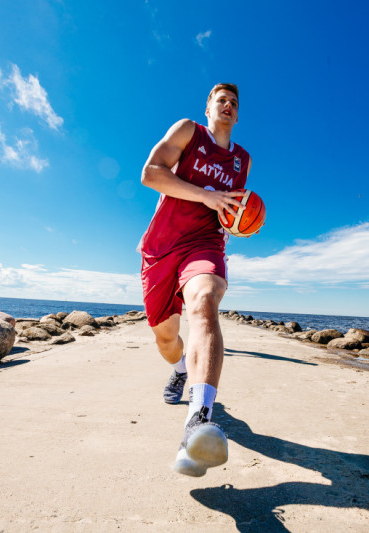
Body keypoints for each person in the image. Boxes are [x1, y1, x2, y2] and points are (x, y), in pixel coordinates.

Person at [139, 83, 252, 477]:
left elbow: (230, 213)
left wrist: (240, 221)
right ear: (208, 108)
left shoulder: (242, 160)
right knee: (165, 337)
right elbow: (150, 174)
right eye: (221, 99)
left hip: (205, 246)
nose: (228, 105)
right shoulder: (189, 132)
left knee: (205, 304)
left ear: (237, 116)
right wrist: (205, 196)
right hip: (161, 247)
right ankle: (183, 367)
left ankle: (198, 421)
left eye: (234, 103)